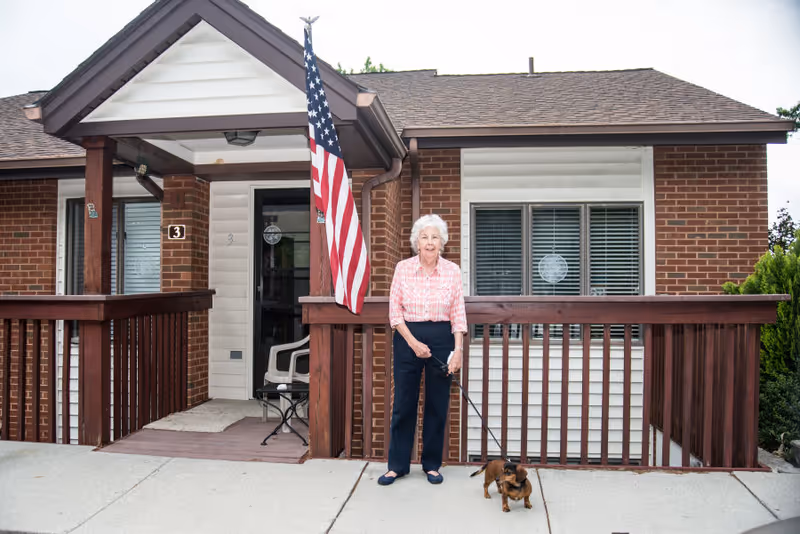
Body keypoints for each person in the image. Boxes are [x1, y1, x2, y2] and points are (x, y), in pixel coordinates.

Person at [378, 214, 467, 486]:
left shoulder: (452, 271)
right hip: (407, 337)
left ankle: (431, 464)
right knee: (404, 403)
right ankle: (397, 466)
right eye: (424, 237)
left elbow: (458, 313)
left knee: (437, 405)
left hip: (442, 337)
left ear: (442, 242)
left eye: (435, 237)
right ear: (417, 241)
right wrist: (413, 342)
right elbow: (395, 312)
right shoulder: (402, 268)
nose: (429, 242)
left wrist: (459, 350)